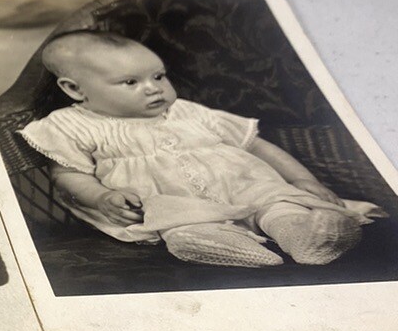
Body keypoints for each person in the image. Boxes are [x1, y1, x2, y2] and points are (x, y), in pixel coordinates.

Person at [19, 30, 378, 269]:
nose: (153, 89)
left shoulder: (187, 111)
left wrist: (303, 179)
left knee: (275, 200)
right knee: (178, 220)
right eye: (131, 82)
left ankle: (308, 234)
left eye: (158, 76)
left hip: (242, 183)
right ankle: (212, 241)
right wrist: (101, 197)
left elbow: (256, 145)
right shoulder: (69, 125)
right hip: (169, 201)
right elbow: (67, 174)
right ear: (75, 89)